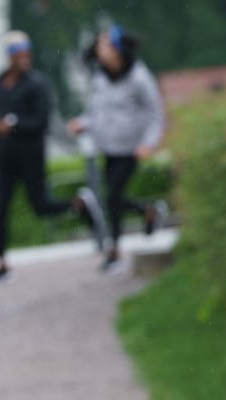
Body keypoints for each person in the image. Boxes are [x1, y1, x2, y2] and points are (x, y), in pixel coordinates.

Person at [0, 30, 104, 283]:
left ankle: (80, 204)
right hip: (6, 158)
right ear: (9, 57)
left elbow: (42, 122)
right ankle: (1, 264)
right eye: (19, 56)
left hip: (31, 156)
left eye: (27, 56)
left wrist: (14, 124)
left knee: (41, 206)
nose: (25, 60)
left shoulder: (36, 84)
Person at [67, 25, 168, 272]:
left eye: (105, 47)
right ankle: (149, 212)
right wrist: (83, 123)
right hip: (108, 147)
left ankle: (115, 251)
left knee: (112, 197)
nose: (100, 51)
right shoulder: (101, 77)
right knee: (112, 199)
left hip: (131, 147)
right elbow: (96, 112)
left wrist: (149, 143)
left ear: (118, 50)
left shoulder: (139, 77)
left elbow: (156, 114)